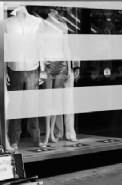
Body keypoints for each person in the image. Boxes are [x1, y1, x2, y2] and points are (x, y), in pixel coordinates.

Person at [5, 5, 47, 149]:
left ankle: (36, 138)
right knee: (15, 106)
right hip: (14, 68)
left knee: (32, 105)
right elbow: (5, 48)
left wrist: (43, 69)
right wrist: (4, 70)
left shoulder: (37, 22)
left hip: (32, 67)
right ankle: (14, 139)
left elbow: (41, 47)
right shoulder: (7, 23)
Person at [40, 7, 80, 143]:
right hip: (51, 63)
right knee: (52, 99)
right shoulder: (44, 24)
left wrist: (73, 65)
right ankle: (56, 132)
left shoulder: (68, 23)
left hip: (67, 64)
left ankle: (69, 132)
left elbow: (71, 46)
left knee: (67, 99)